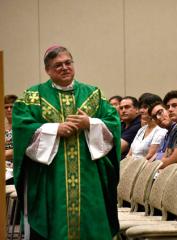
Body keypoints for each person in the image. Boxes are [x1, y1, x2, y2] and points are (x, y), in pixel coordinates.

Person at [12, 46, 121, 239]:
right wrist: (54, 130)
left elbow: (113, 123)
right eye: (57, 65)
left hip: (89, 176)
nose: (64, 68)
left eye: (67, 63)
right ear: (48, 70)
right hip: (51, 176)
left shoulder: (93, 93)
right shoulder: (32, 96)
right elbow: (21, 127)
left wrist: (90, 123)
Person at [127, 94, 167, 160]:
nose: (141, 111)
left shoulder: (161, 130)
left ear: (154, 109)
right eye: (140, 107)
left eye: (145, 107)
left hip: (145, 167)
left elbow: (150, 156)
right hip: (132, 165)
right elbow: (129, 154)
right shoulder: (142, 129)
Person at [4, 94, 17, 184]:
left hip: (16, 171)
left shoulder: (22, 127)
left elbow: (17, 151)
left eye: (11, 107)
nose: (9, 109)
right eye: (6, 107)